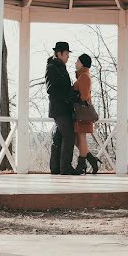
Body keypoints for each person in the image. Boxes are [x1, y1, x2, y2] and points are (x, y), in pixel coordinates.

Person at [45, 42, 79, 175]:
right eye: (66, 54)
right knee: (69, 136)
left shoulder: (60, 67)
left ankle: (56, 168)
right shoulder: (52, 67)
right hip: (59, 109)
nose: (68, 57)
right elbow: (51, 89)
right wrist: (69, 96)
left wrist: (72, 94)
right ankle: (65, 168)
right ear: (59, 53)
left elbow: (63, 87)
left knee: (59, 137)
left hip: (63, 108)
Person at [73, 53, 101, 174]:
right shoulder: (83, 76)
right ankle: (91, 159)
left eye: (77, 61)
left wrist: (73, 96)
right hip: (80, 114)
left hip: (82, 114)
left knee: (81, 138)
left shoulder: (84, 77)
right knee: (78, 140)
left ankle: (81, 165)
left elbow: (84, 96)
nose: (75, 63)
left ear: (82, 63)